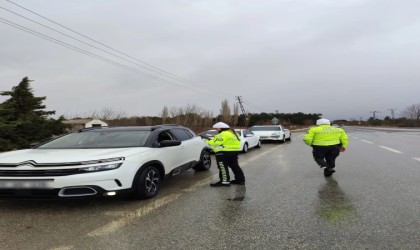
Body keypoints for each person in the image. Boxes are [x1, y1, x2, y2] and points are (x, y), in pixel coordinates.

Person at [204, 122, 245, 187]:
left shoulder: (223, 134)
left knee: (223, 167)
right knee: (235, 166)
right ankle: (240, 180)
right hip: (234, 152)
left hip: (223, 153)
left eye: (217, 128)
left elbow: (216, 143)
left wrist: (206, 140)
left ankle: (224, 182)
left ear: (221, 128)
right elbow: (228, 141)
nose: (216, 130)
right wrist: (216, 137)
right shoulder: (233, 133)